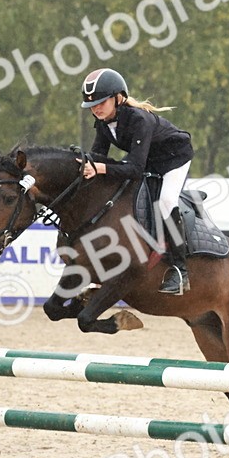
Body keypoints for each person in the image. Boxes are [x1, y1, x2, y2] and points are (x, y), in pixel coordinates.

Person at [79, 67, 194, 295]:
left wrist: (100, 168)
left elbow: (133, 168)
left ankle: (180, 271)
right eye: (92, 105)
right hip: (149, 160)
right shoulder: (102, 123)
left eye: (102, 102)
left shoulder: (138, 119)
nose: (96, 108)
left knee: (165, 202)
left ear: (118, 98)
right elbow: (97, 156)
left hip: (174, 159)